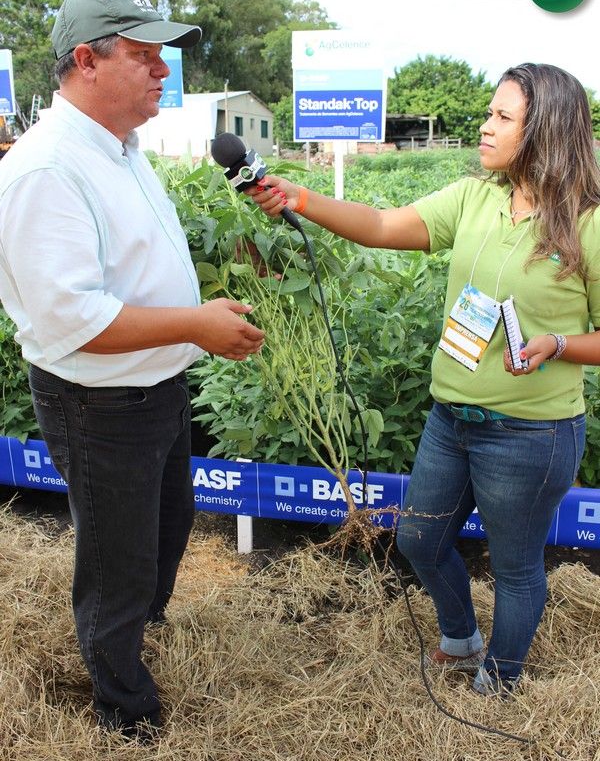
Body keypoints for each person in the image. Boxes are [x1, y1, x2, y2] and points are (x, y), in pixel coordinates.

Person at [249, 63, 600, 696]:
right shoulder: (474, 198)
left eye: (502, 117)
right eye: (489, 113)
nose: (485, 126)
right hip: (451, 419)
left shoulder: (589, 225)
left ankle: (499, 680)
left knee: (516, 568)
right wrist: (300, 198)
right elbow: (383, 226)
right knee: (418, 538)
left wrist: (558, 344)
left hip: (531, 433)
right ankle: (461, 638)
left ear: (544, 131)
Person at [0, 0, 265, 738]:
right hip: (101, 403)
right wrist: (196, 325)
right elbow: (74, 322)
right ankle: (124, 708)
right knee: (118, 564)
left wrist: (196, 317)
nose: (162, 72)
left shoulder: (120, 148)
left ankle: (141, 629)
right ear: (86, 60)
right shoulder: (46, 170)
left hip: (153, 386)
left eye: (162, 57)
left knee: (166, 528)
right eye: (145, 56)